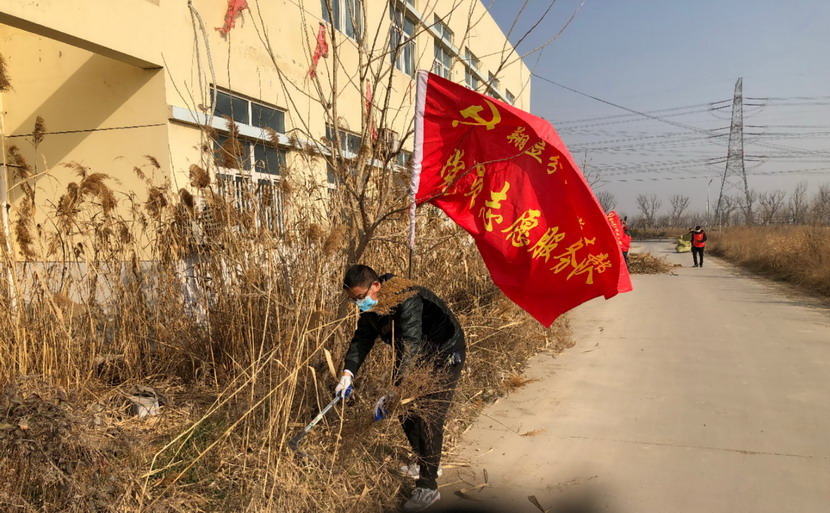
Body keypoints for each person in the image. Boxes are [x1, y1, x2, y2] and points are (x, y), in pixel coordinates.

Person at [335, 264, 466, 512]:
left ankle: (428, 487)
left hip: (445, 352)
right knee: (404, 410)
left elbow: (409, 345)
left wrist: (394, 389)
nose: (358, 304)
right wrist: (347, 374)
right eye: (353, 300)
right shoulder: (373, 306)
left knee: (429, 415)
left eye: (360, 297)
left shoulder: (407, 297)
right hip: (419, 355)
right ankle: (425, 462)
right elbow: (362, 340)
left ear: (375, 286)